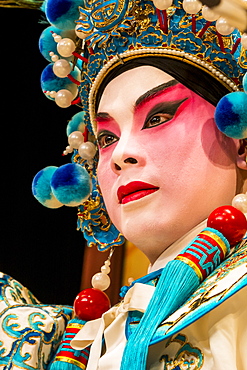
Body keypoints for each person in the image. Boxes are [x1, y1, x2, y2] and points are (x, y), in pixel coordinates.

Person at [1, 0, 247, 369]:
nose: (121, 154)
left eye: (158, 117)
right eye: (105, 139)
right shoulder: (84, 339)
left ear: (241, 140)